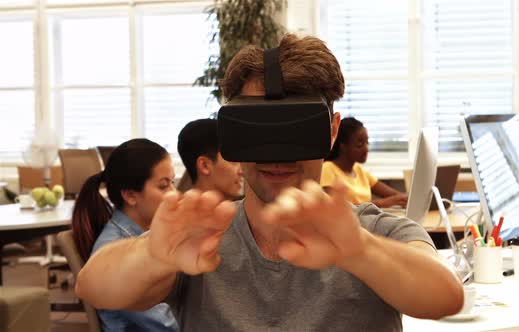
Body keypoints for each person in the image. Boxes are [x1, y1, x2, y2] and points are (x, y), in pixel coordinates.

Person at [75, 34, 463, 331]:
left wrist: (357, 251)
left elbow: (446, 294)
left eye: (296, 129)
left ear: (331, 131)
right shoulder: (202, 237)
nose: (278, 154)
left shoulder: (374, 230)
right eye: (260, 129)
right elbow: (92, 286)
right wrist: (154, 255)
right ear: (231, 133)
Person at [71, 138, 178, 332]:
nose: (174, 194)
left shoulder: (151, 235)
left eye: (173, 182)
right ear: (130, 195)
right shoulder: (115, 251)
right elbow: (167, 326)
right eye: (164, 186)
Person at [321, 117, 408, 207]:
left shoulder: (358, 170)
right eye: (360, 144)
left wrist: (406, 198)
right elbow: (335, 207)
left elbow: (395, 195)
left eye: (367, 143)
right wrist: (382, 203)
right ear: (343, 146)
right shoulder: (327, 169)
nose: (366, 149)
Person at [177, 118, 243, 200]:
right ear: (204, 165)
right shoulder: (179, 211)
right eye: (233, 160)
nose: (242, 171)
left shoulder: (246, 210)